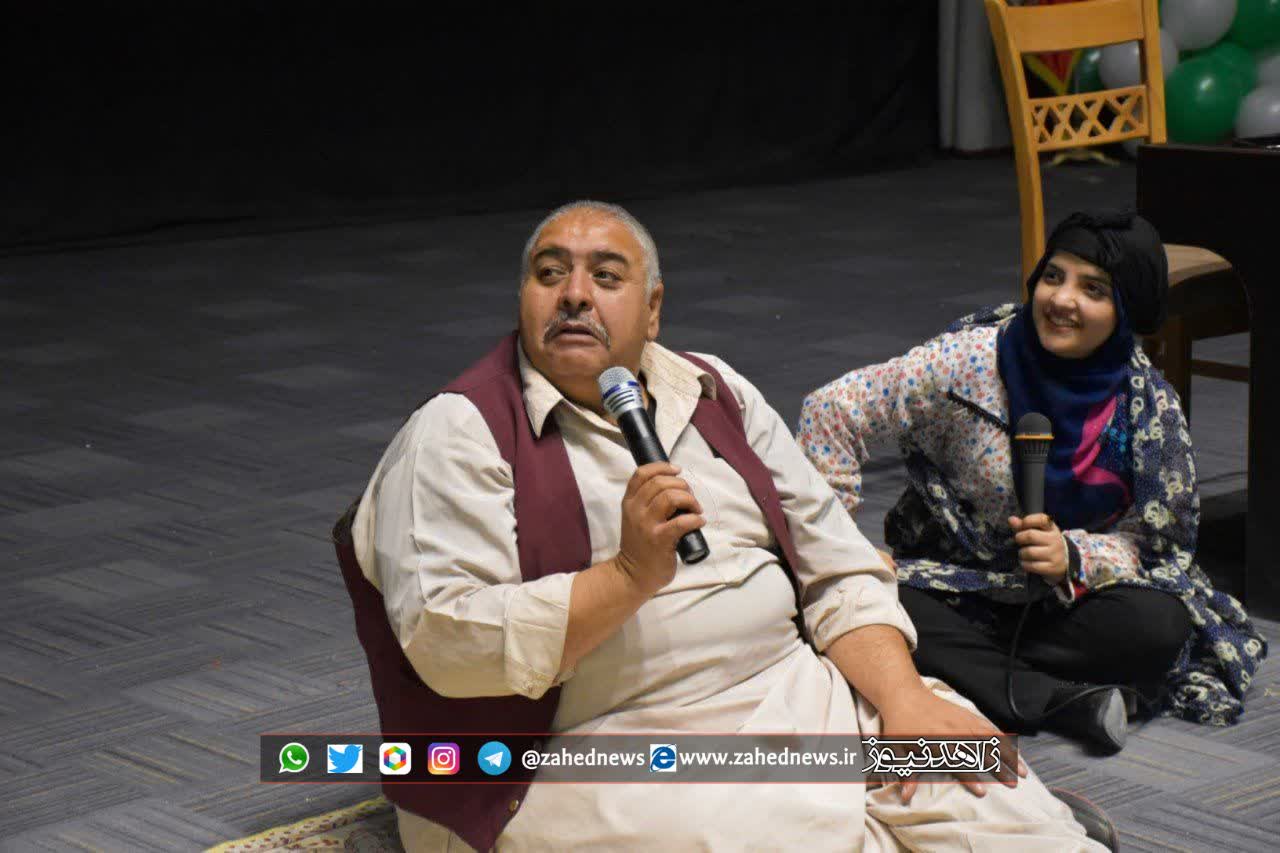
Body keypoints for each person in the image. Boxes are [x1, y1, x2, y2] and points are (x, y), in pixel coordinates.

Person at [344, 201, 1109, 850]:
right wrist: (626, 577)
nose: (574, 294)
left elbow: (837, 564)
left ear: (652, 309)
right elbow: (447, 642)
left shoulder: (716, 389)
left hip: (795, 695)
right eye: (550, 274)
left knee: (995, 796)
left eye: (605, 277)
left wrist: (903, 698)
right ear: (523, 298)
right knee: (784, 836)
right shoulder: (458, 430)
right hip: (591, 744)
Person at [798, 210, 1266, 755]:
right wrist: (842, 547)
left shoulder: (1147, 407)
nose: (1062, 299)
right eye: (1053, 276)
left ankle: (971, 674)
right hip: (955, 582)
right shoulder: (970, 361)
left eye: (1093, 289)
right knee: (882, 597)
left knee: (1158, 627)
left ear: (1127, 310)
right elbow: (831, 411)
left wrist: (1074, 555)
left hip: (1060, 600)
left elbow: (1156, 544)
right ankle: (1061, 700)